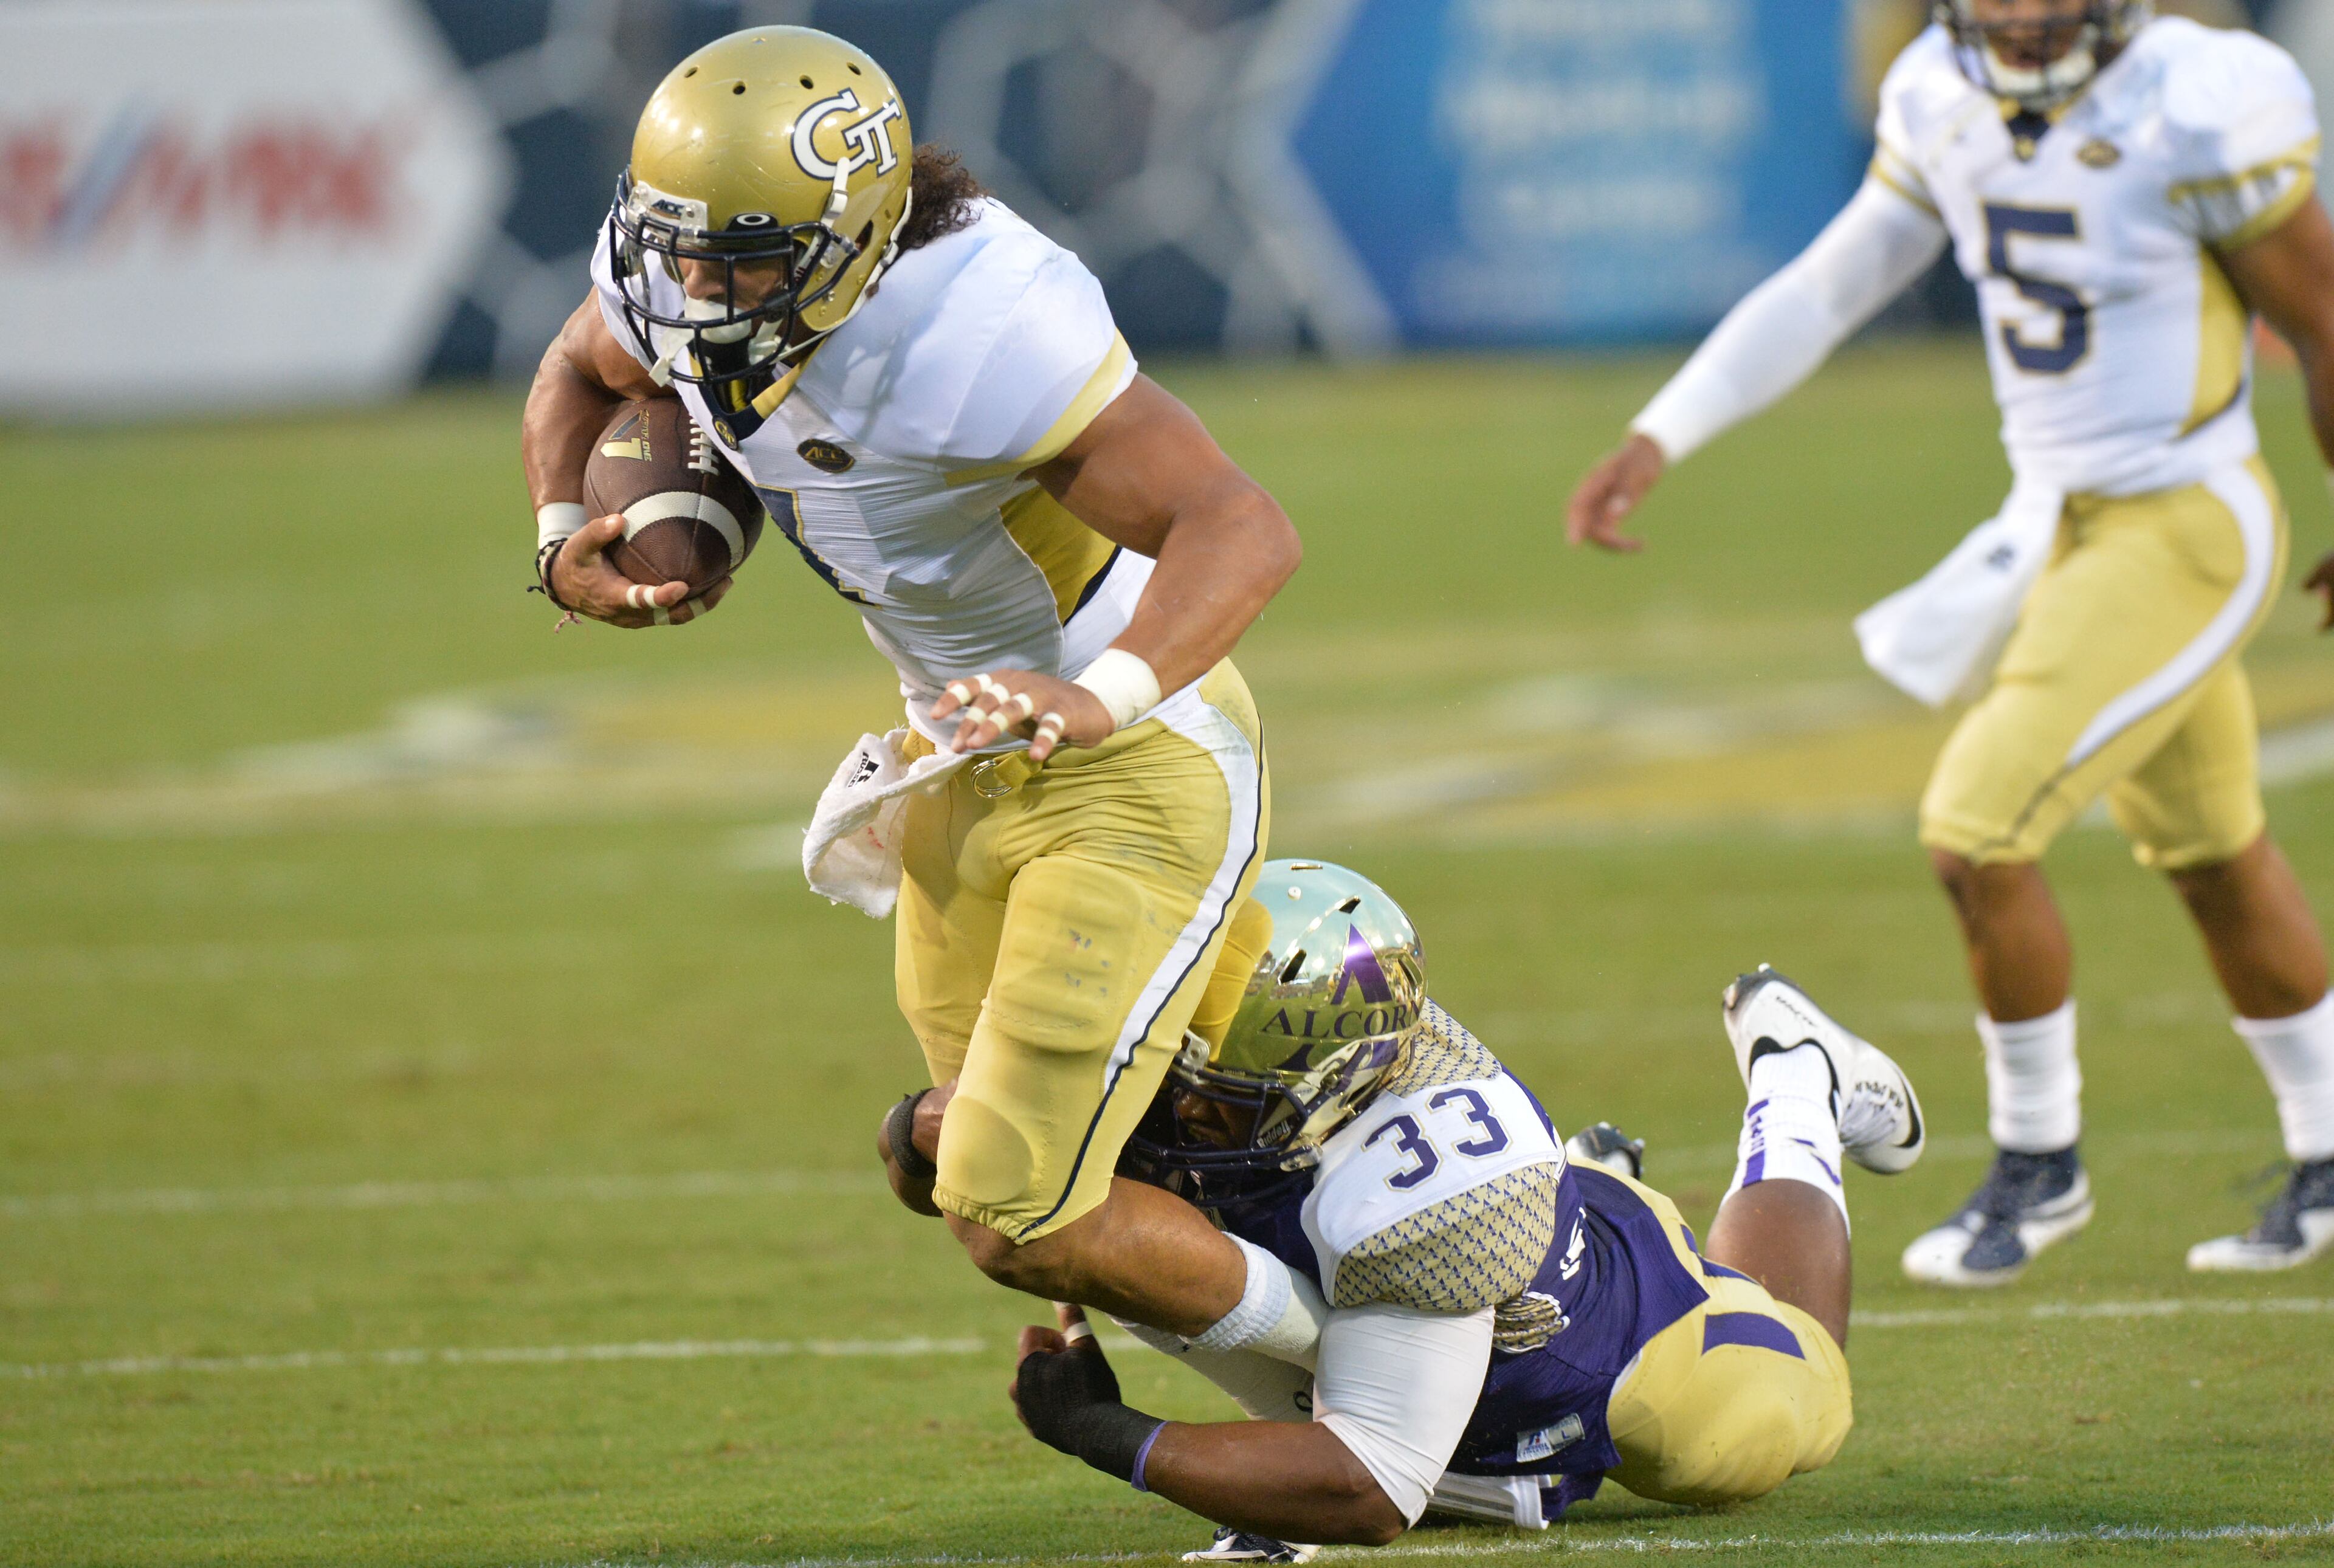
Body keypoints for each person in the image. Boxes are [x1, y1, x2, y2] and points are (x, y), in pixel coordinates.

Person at [519, 26, 1317, 1355]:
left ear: (854, 240)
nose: (699, 293)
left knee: (1026, 1192)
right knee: (993, 1205)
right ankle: (1365, 1387)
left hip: (1132, 760)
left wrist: (1100, 697)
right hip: (956, 756)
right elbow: (576, 366)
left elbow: (1243, 524)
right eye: (682, 252)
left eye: (744, 263)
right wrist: (562, 541)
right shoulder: (678, 270)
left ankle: (1403, 1398)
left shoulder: (978, 326)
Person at [1566, 0, 2334, 1282]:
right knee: (2212, 850)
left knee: (1977, 830)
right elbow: (1830, 285)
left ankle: (2041, 1166)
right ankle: (2327, 1152)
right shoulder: (1940, 92)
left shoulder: (2195, 101)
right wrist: (1661, 432)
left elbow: (2322, 314)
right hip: (2053, 524)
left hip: (2186, 519)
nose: (2019, 17)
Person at [940, 860, 1925, 1552]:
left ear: (1326, 1085)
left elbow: (1368, 1493)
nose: (1176, 1108)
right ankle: (1596, 1177)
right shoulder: (1282, 1044)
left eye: (1213, 1094)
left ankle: (1797, 1076)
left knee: (1798, 1406)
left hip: (1634, 1356)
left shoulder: (1435, 1209)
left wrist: (1106, 1434)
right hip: (1408, 1292)